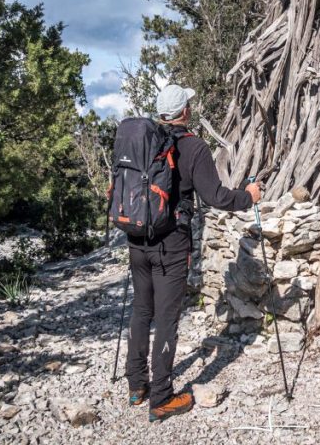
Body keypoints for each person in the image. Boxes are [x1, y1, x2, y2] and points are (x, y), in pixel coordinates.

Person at [125, 84, 261, 422]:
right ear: (184, 112)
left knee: (142, 310)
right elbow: (216, 197)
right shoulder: (194, 147)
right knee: (167, 318)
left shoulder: (142, 142)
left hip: (137, 240)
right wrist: (249, 196)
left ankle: (137, 385)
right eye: (188, 104)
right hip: (171, 243)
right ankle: (161, 398)